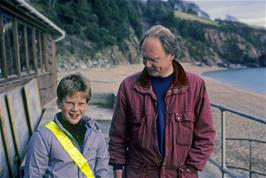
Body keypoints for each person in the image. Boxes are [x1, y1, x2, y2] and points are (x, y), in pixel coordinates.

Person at [109, 25, 215, 178]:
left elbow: (205, 134)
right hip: (138, 174)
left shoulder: (195, 85)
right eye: (144, 58)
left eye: (153, 60)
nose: (147, 65)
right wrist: (118, 169)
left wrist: (190, 168)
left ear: (171, 55)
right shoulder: (128, 87)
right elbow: (117, 135)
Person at [24, 73, 109, 178]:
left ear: (87, 105)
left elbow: (102, 171)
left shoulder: (95, 133)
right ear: (59, 103)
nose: (75, 109)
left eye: (81, 104)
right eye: (69, 103)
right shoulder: (42, 138)